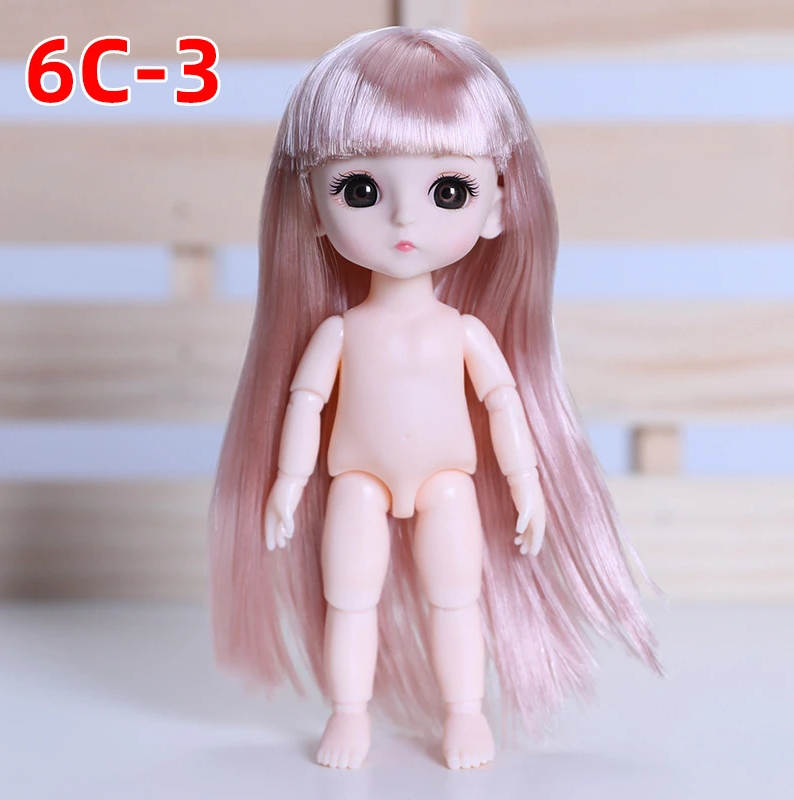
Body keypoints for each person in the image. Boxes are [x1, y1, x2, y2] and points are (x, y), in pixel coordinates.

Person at [209, 26, 661, 771]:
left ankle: (464, 713)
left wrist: (526, 484)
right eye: (360, 190)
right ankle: (348, 713)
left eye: (448, 191)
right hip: (357, 480)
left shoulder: (465, 333)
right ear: (313, 207)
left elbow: (505, 404)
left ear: (497, 207)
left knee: (457, 598)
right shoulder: (340, 333)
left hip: (447, 482)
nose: (404, 220)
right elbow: (304, 402)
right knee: (349, 599)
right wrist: (287, 483)